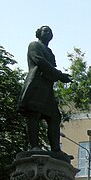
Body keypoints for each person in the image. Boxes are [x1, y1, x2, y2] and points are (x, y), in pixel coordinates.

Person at [18, 25, 71, 154]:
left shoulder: (50, 52)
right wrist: (60, 75)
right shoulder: (34, 45)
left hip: (47, 87)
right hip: (36, 85)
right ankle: (34, 146)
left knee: (54, 117)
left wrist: (61, 76)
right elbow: (41, 62)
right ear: (38, 33)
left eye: (50, 31)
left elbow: (50, 67)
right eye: (45, 30)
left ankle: (56, 149)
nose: (48, 33)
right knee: (34, 114)